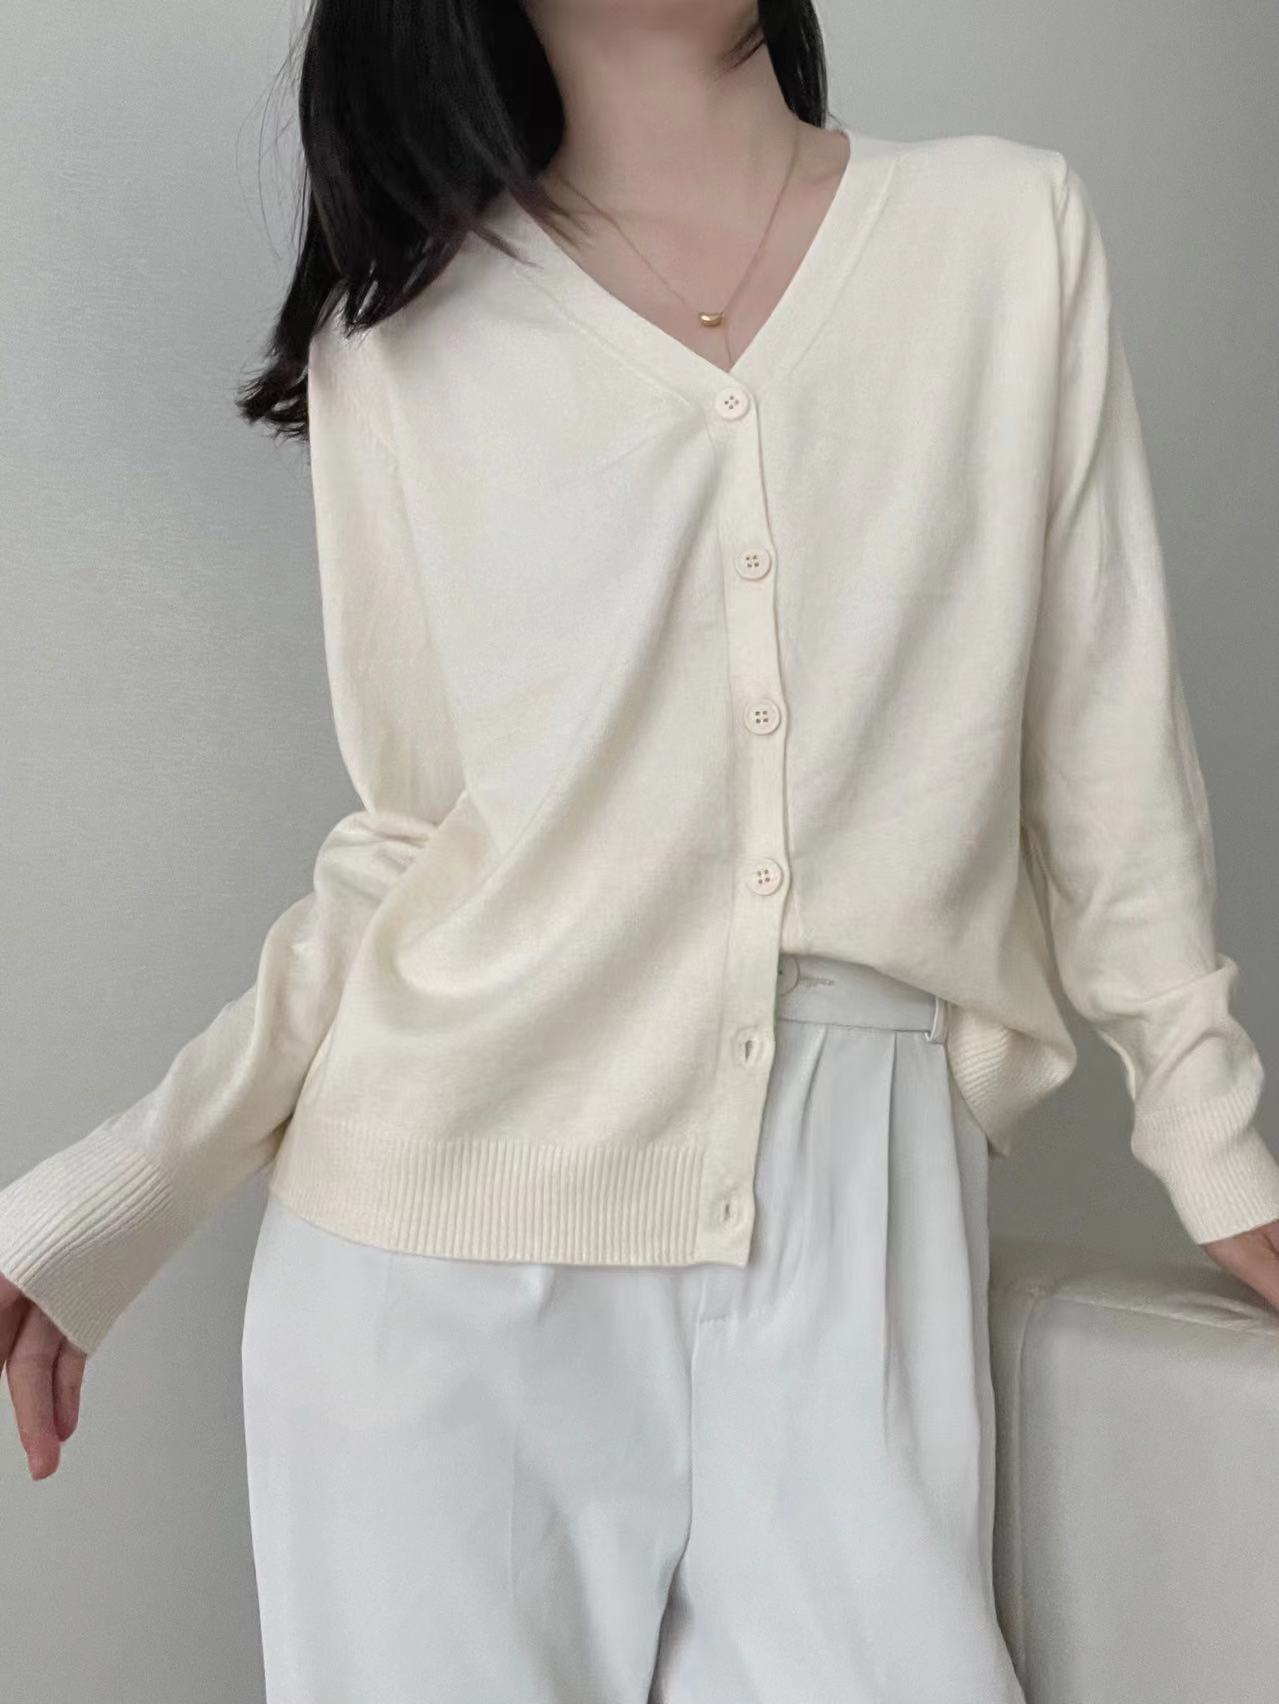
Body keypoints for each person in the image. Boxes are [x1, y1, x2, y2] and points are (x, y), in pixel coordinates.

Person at [4, 2, 1279, 1699]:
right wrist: (126, 1194)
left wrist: (1214, 1136)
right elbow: (408, 841)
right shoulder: (405, 335)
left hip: (857, 1212)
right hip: (434, 1262)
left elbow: (1105, 742)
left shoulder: (1001, 236)